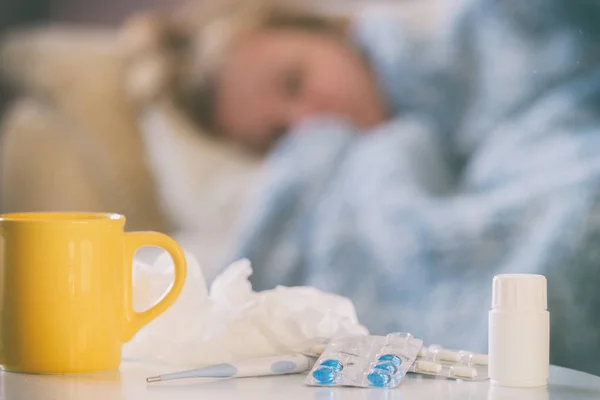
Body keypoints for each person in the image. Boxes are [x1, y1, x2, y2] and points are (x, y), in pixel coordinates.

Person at [125, 0, 600, 374]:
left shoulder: (494, 29)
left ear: (331, 32)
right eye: (279, 136)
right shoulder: (342, 175)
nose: (312, 118)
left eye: (294, 81)